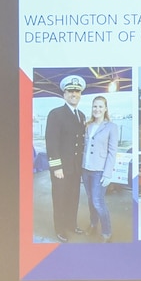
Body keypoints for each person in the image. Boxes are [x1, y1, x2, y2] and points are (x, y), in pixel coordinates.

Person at [42, 74, 87, 242]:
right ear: (64, 94)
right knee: (60, 198)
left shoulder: (81, 115)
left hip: (75, 168)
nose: (73, 94)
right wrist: (56, 167)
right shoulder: (56, 114)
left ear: (80, 94)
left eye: (77, 91)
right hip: (61, 168)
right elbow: (51, 143)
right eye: (70, 91)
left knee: (73, 197)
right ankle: (60, 228)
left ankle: (71, 224)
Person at [80, 94, 120, 241]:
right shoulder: (87, 125)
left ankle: (107, 231)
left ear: (105, 109)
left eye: (100, 106)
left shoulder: (111, 127)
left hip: (99, 171)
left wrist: (107, 174)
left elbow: (112, 152)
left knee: (98, 201)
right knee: (90, 199)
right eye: (94, 106)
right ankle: (93, 223)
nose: (97, 109)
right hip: (85, 169)